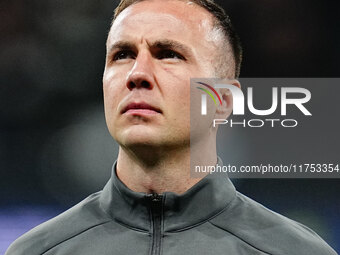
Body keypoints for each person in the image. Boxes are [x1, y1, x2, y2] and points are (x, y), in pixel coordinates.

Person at [6, 0, 337, 254]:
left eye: (168, 54)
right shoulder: (38, 250)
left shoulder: (293, 250)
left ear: (222, 100)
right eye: (122, 54)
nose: (137, 73)